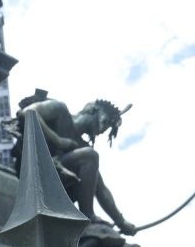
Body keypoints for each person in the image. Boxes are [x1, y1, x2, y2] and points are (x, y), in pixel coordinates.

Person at [13, 95, 136, 235]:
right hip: (35, 175)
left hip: (55, 183)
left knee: (90, 157)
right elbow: (27, 114)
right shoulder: (60, 110)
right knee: (90, 155)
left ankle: (87, 219)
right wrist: (58, 141)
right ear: (94, 111)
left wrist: (121, 222)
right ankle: (88, 215)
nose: (103, 131)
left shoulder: (81, 148)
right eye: (105, 122)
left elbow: (100, 188)